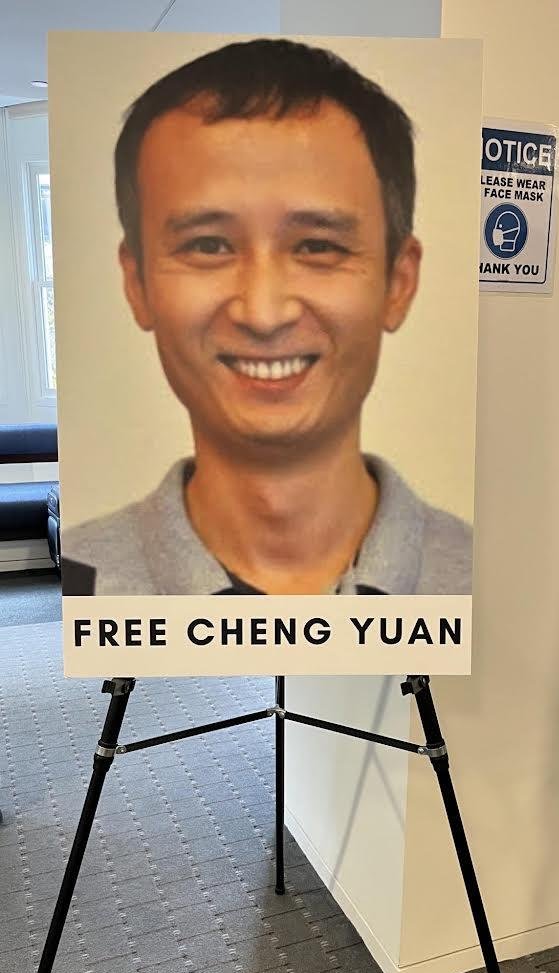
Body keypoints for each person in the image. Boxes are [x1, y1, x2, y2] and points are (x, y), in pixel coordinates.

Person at [62, 38, 472, 597]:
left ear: (398, 283)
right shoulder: (77, 583)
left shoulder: (491, 581)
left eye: (318, 247)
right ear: (137, 285)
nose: (263, 314)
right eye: (208, 245)